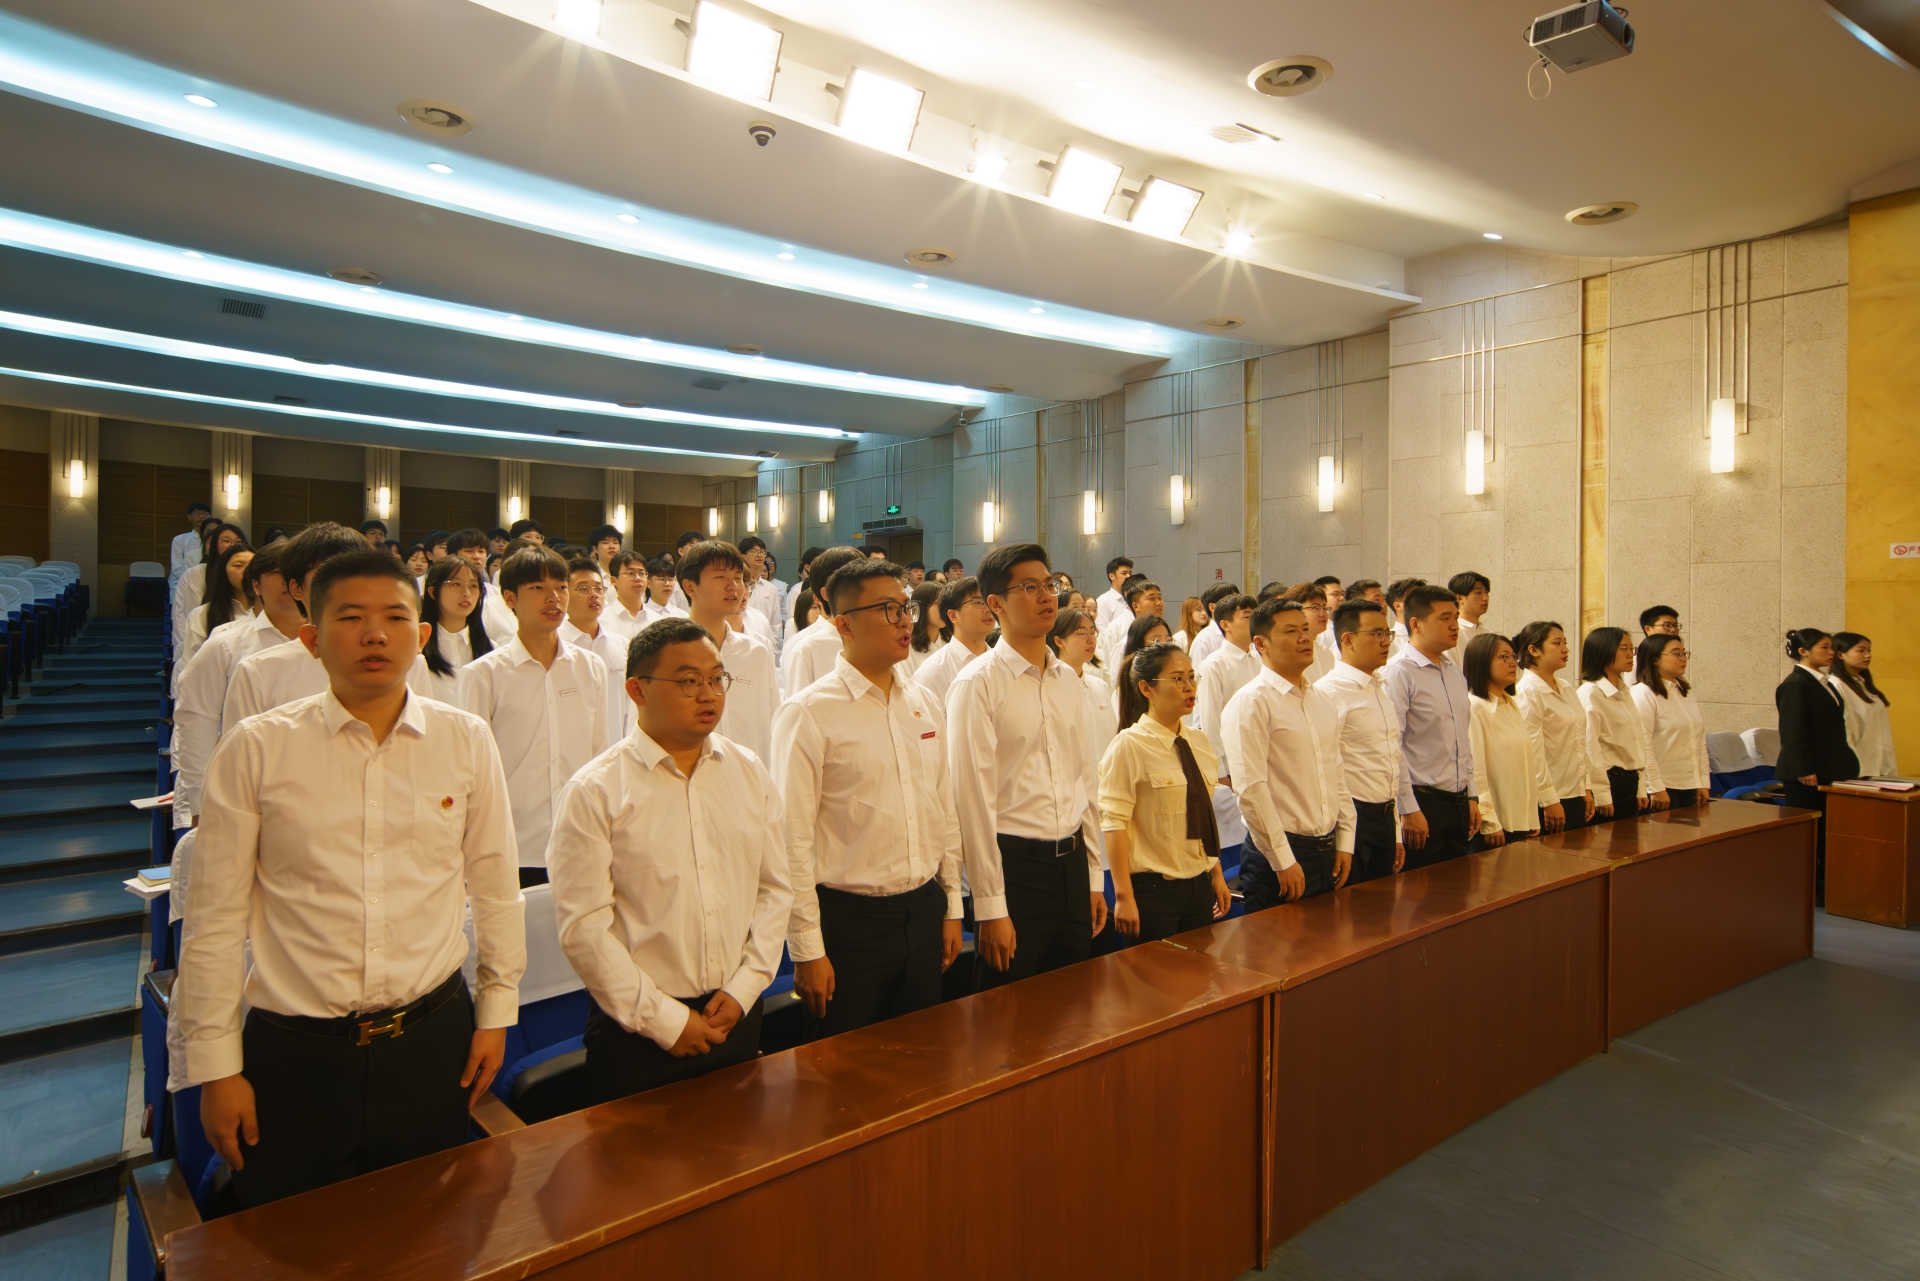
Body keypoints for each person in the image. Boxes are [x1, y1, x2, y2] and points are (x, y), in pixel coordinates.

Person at [178, 549, 525, 1210]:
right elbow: (214, 920)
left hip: (432, 1038)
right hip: (296, 1049)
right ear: (311, 638)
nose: (375, 635)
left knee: (428, 1225)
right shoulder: (256, 748)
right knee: (291, 1234)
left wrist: (496, 1012)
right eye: (351, 618)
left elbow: (494, 887)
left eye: (395, 617)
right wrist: (218, 1068)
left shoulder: (465, 739)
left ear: (422, 636)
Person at [547, 618, 791, 1105]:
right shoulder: (596, 791)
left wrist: (746, 987)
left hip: (735, 1013)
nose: (709, 694)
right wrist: (666, 1020)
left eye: (716, 679)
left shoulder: (748, 772)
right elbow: (585, 929)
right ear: (637, 690)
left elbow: (774, 889)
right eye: (687, 681)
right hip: (637, 1032)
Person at [772, 559, 964, 1039]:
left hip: (922, 910)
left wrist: (950, 908)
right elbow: (791, 842)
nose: (904, 621)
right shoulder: (809, 713)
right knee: (844, 1067)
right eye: (887, 610)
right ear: (844, 624)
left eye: (906, 608)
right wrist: (807, 949)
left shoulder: (924, 702)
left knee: (921, 1055)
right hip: (849, 923)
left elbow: (943, 810)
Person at [947, 543, 1107, 989]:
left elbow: (1083, 780)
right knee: (1008, 1013)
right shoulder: (977, 684)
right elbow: (972, 803)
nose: (1046, 596)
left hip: (1071, 865)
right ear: (995, 604)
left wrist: (1094, 875)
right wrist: (990, 904)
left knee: (1073, 1004)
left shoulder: (1068, 680)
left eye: (1049, 585)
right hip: (1015, 869)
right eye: (1029, 587)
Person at [457, 545, 610, 887]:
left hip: (579, 840)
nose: (553, 598)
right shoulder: (483, 674)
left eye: (561, 587)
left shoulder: (591, 668)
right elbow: (471, 769)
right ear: (510, 598)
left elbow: (600, 753)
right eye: (538, 588)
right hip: (511, 844)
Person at [224, 525, 435, 733]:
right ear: (296, 588)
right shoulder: (258, 671)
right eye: (326, 572)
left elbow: (423, 730)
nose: (345, 583)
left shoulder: (408, 660)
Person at [1222, 599, 1355, 908]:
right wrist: (1282, 859)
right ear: (1260, 643)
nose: (1304, 638)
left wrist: (1345, 840)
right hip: (1278, 855)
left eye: (1305, 629)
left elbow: (1336, 774)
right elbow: (1251, 790)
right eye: (1291, 631)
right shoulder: (1251, 702)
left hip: (1326, 849)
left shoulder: (1322, 700)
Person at [1100, 642, 1231, 943]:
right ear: (1146, 688)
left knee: (1201, 968)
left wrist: (1216, 873)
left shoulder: (1199, 742)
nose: (1189, 687)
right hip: (1153, 892)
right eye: (1177, 679)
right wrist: (1123, 896)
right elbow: (1114, 824)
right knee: (1157, 972)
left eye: (1191, 677)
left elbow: (1201, 817)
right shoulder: (1129, 745)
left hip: (1199, 885)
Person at [172, 545, 302, 828]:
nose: (291, 581)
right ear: (256, 585)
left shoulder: (336, 645)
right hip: (242, 789)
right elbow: (196, 722)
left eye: (299, 573)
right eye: (279, 574)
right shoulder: (226, 645)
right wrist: (200, 802)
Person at [1384, 584, 1478, 869]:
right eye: (1444, 618)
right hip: (1423, 802)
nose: (1454, 625)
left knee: (1461, 885)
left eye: (1455, 617)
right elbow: (1393, 746)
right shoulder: (1398, 672)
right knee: (1421, 891)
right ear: (1416, 624)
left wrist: (1472, 795)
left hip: (1459, 801)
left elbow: (1462, 740)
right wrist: (1407, 808)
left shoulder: (1454, 671)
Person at [1315, 597, 1404, 883]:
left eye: (1387, 633)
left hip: (1385, 816)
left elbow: (1391, 761)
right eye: (1376, 634)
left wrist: (1396, 831)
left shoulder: (1378, 687)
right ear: (1348, 639)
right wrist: (1344, 839)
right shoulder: (1328, 692)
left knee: (1384, 905)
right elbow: (1326, 769)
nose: (1385, 641)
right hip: (1352, 819)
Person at [1777, 629, 1860, 899]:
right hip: (1806, 774)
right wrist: (1803, 768)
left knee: (1825, 833)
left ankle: (1824, 887)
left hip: (1828, 769)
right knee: (1807, 838)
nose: (1831, 652)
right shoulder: (1796, 683)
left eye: (1831, 647)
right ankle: (1806, 891)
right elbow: (1793, 731)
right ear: (1803, 651)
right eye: (1824, 647)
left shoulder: (1824, 682)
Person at [677, 541, 777, 761]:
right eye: (720, 577)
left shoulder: (755, 653)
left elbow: (771, 722)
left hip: (747, 774)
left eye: (739, 578)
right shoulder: (669, 652)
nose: (734, 586)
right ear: (690, 587)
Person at [1464, 632, 1552, 849]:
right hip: (1495, 823)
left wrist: (1530, 816)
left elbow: (1524, 764)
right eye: (1504, 657)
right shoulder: (1475, 707)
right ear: (1482, 661)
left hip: (1517, 818)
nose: (1513, 663)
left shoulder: (1510, 704)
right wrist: (1489, 819)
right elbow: (1475, 769)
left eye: (1513, 656)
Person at [1512, 621, 1594, 833]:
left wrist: (1585, 787)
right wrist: (1548, 800)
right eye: (1557, 643)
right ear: (1533, 650)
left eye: (1565, 643)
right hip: (1549, 797)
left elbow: (1579, 742)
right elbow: (1532, 752)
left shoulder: (1565, 687)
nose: (1565, 649)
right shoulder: (1527, 692)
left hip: (1574, 790)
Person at [1577, 627, 1665, 821]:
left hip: (1629, 780)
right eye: (1623, 648)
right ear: (1603, 650)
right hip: (1609, 781)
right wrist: (1601, 795)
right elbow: (1589, 749)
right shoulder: (1591, 693)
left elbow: (1636, 742)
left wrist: (1640, 789)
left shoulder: (1624, 692)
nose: (1630, 654)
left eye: (1631, 648)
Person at [1631, 634, 1710, 809]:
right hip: (1662, 785)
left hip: (1689, 783)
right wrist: (1655, 787)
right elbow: (1642, 744)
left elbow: (1699, 740)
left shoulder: (1684, 692)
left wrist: (1702, 781)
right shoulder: (1644, 693)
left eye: (1684, 653)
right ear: (1655, 659)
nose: (1683, 659)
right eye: (1676, 654)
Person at [562, 558, 633, 739]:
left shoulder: (622, 646)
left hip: (615, 747)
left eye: (598, 588)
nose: (593, 595)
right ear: (564, 594)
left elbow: (630, 708)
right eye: (583, 588)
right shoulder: (555, 646)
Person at [783, 547, 866, 697]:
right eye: (852, 585)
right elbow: (798, 707)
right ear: (825, 594)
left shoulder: (878, 640)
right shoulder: (806, 649)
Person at [1048, 607, 1115, 776]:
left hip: (1104, 783)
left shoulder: (1100, 686)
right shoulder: (1049, 688)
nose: (1090, 639)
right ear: (1059, 641)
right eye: (1082, 633)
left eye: (1092, 632)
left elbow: (1112, 738)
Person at [420, 554, 492, 706]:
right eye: (456, 584)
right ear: (433, 592)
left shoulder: (491, 649)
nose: (466, 593)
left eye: (473, 585)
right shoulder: (416, 649)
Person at [912, 576, 993, 708]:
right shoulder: (933, 672)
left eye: (989, 601)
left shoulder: (1002, 662)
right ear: (953, 616)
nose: (988, 609)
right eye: (978, 602)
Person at [179, 542, 253, 676]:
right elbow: (191, 667)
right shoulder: (202, 614)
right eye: (238, 565)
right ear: (223, 571)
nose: (247, 571)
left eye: (252, 566)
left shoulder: (272, 613)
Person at [1830, 632, 1896, 777]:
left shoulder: (1863, 685)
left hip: (1879, 767)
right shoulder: (1836, 685)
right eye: (1861, 650)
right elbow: (1845, 731)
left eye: (1869, 650)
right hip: (1856, 769)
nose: (1868, 655)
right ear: (1840, 654)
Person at [173, 521, 242, 654]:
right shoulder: (198, 573)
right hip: (203, 644)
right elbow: (189, 617)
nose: (233, 545)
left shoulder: (246, 574)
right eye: (226, 541)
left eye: (238, 541)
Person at [1113, 613, 1175, 726]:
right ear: (1139, 646)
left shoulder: (1174, 683)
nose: (1165, 646)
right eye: (1156, 640)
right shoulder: (1125, 689)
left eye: (1168, 639)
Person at [1101, 577, 1165, 676]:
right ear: (1135, 606)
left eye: (1160, 598)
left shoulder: (1166, 637)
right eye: (1152, 598)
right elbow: (1115, 678)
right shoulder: (1124, 644)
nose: (1159, 603)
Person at [1282, 582, 1337, 681]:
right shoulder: (1285, 652)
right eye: (1315, 607)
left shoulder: (1325, 652)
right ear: (1294, 611)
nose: (1323, 614)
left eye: (1324, 608)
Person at [1186, 582, 1242, 667]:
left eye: (1237, 602)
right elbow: (1198, 673)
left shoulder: (1242, 634)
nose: (1237, 607)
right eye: (1230, 602)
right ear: (1212, 607)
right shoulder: (1203, 640)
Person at [899, 581, 945, 681]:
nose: (944, 609)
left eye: (946, 604)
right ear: (922, 607)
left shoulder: (950, 643)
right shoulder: (907, 649)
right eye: (938, 603)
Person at [1448, 571, 1491, 662]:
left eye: (1486, 592)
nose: (1485, 598)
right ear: (1460, 598)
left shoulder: (1488, 633)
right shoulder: (1452, 633)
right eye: (1478, 593)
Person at [785, 547, 823, 646]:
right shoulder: (796, 591)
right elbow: (794, 618)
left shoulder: (827, 589)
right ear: (807, 567)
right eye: (818, 562)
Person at [170, 501, 214, 580]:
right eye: (197, 513)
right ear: (189, 517)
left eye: (205, 513)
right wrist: (191, 580)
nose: (201, 516)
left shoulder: (215, 539)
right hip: (185, 580)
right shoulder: (180, 539)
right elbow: (177, 567)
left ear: (209, 517)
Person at [1383, 578, 1426, 659]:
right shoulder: (1391, 640)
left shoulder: (1431, 635)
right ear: (1398, 606)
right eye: (1415, 598)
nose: (1423, 602)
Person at [1095, 557, 1133, 633]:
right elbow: (1103, 632)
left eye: (1130, 573)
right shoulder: (1103, 601)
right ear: (1112, 576)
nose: (1128, 576)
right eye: (1124, 573)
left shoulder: (1134, 599)